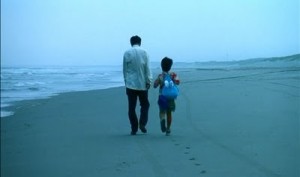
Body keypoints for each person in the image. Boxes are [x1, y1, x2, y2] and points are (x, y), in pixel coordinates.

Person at [123, 35, 152, 135]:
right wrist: (149, 81)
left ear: (131, 43)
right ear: (140, 42)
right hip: (142, 83)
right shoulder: (145, 52)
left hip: (130, 84)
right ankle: (142, 123)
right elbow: (147, 68)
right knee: (145, 105)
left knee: (131, 107)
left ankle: (134, 128)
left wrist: (126, 82)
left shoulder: (127, 53)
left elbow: (125, 70)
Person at [154, 57, 180, 135]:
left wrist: (157, 83)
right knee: (169, 113)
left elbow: (155, 85)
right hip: (171, 97)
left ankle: (162, 120)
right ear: (170, 66)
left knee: (162, 112)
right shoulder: (173, 75)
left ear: (161, 66)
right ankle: (168, 129)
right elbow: (178, 82)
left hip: (162, 96)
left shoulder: (160, 76)